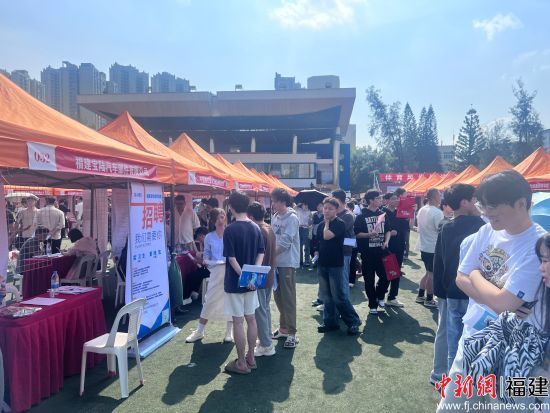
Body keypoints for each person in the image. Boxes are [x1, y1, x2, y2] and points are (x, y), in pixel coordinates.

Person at [437, 170, 546, 412]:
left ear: (521, 203)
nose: (486, 211)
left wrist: (476, 275)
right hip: (473, 339)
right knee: (451, 407)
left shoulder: (538, 244)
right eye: (483, 205)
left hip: (513, 355)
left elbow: (502, 303)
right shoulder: (488, 230)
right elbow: (460, 278)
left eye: (493, 205)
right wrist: (496, 297)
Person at [430, 184, 484, 386]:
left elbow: (439, 261)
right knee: (465, 339)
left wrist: (439, 290)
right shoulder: (481, 225)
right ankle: (457, 382)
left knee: (445, 334)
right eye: (474, 199)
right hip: (472, 292)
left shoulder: (447, 226)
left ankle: (439, 374)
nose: (476, 203)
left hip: (449, 290)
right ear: (464, 202)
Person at [223, 192, 265, 374]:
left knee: (238, 322)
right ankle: (251, 357)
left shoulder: (230, 229)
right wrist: (252, 276)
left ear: (231, 207)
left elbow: (231, 259)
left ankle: (241, 362)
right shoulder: (255, 227)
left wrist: (244, 277)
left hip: (235, 283)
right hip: (252, 282)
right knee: (251, 319)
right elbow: (261, 253)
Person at [314, 197, 361, 335]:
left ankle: (353, 321)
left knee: (339, 296)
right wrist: (315, 251)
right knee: (326, 296)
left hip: (336, 264)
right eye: (325, 208)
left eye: (330, 208)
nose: (326, 211)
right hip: (323, 263)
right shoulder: (321, 224)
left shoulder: (339, 223)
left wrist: (327, 223)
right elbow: (318, 241)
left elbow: (327, 236)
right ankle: (330, 323)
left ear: (336, 210)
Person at [186, 208, 234, 344]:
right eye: (218, 217)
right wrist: (209, 261)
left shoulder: (230, 233)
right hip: (215, 272)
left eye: (222, 216)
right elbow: (206, 256)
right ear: (213, 220)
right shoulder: (209, 237)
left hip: (230, 272)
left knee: (230, 300)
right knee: (209, 300)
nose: (221, 219)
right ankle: (199, 331)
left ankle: (229, 332)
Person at [354, 189, 392, 315]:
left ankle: (380, 296)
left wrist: (386, 241)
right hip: (367, 254)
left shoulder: (383, 214)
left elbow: (388, 230)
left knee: (387, 276)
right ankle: (372, 304)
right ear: (370, 200)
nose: (380, 200)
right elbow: (357, 234)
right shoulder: (361, 216)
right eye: (378, 198)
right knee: (369, 280)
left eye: (380, 198)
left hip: (382, 252)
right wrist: (369, 234)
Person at [271, 188, 300, 349]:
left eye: (275, 201)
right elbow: (272, 238)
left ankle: (292, 333)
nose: (273, 204)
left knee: (288, 299)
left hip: (287, 263)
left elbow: (286, 241)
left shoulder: (292, 218)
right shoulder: (275, 216)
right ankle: (283, 329)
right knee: (278, 297)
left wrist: (270, 255)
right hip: (276, 263)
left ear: (283, 201)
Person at [247, 202, 277, 357]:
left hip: (260, 275)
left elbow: (257, 256)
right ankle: (266, 339)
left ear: (250, 216)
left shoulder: (258, 230)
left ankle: (266, 344)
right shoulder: (268, 228)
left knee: (260, 311)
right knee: (264, 309)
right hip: (269, 274)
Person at [415, 188, 443, 308]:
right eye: (439, 195)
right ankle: (429, 298)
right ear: (435, 197)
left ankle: (421, 295)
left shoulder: (422, 209)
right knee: (432, 274)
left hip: (424, 246)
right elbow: (441, 229)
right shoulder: (437, 212)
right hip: (433, 247)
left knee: (428, 272)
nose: (441, 197)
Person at [382, 192, 407, 307]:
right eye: (393, 199)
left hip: (399, 246)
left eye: (397, 198)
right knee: (386, 273)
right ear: (387, 200)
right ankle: (380, 296)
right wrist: (389, 233)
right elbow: (378, 230)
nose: (396, 200)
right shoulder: (382, 212)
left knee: (396, 272)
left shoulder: (401, 212)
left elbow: (408, 227)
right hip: (387, 247)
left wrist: (411, 213)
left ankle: (392, 297)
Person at [332, 189, 356, 295]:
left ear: (338, 200)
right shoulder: (335, 213)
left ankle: (344, 301)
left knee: (343, 278)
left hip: (344, 251)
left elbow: (336, 231)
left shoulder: (348, 215)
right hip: (334, 250)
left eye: (332, 199)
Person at [295, 203, 312, 267]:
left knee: (307, 245)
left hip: (306, 229)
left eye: (306, 205)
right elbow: (293, 209)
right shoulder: (299, 210)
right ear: (302, 206)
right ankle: (300, 260)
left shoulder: (309, 212)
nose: (305, 206)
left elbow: (310, 223)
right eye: (304, 205)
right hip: (299, 228)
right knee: (299, 245)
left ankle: (307, 261)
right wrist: (298, 204)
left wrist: (310, 218)